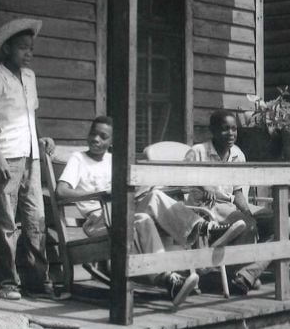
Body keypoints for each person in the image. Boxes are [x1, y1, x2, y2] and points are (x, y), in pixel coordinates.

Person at [56, 116, 201, 307]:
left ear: (111, 141)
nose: (96, 140)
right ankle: (168, 277)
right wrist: (100, 193)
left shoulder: (113, 159)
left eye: (103, 136)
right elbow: (61, 191)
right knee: (141, 219)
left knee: (154, 196)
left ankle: (199, 228)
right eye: (93, 134)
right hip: (99, 220)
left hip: (122, 213)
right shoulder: (78, 159)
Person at [0, 17, 56, 301]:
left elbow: (30, 116)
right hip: (7, 157)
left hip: (31, 158)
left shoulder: (30, 77)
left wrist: (42, 138)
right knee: (6, 222)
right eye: (23, 48)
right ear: (7, 48)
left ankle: (38, 279)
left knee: (36, 218)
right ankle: (7, 282)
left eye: (31, 48)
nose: (28, 53)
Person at [186, 109, 275, 294]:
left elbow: (238, 190)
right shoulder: (197, 152)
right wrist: (203, 186)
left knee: (282, 223)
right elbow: (182, 182)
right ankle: (240, 276)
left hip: (233, 204)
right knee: (247, 224)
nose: (231, 134)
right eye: (225, 129)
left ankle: (247, 274)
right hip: (207, 208)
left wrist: (246, 210)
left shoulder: (237, 154)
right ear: (213, 130)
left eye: (234, 129)